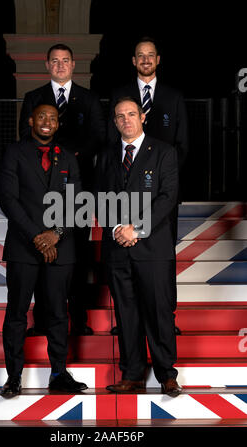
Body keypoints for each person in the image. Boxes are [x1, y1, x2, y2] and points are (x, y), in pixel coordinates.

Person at [0, 104, 88, 397]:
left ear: (57, 124)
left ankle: (59, 374)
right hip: (23, 247)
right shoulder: (15, 152)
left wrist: (55, 235)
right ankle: (14, 376)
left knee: (58, 314)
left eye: (52, 118)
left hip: (60, 249)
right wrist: (38, 236)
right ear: (31, 121)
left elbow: (76, 203)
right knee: (16, 313)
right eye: (41, 117)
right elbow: (9, 200)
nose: (47, 122)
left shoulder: (69, 158)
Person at [96, 97, 182, 396]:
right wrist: (119, 229)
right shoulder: (107, 155)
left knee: (158, 311)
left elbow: (167, 198)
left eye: (131, 114)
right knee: (126, 313)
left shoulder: (163, 152)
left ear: (142, 116)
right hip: (119, 248)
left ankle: (166, 374)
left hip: (153, 249)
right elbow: (100, 197)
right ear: (115, 121)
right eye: (120, 116)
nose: (126, 120)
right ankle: (132, 374)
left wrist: (137, 229)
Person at [19, 43, 106, 336]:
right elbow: (25, 138)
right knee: (44, 252)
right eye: (54, 61)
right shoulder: (34, 98)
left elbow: (98, 138)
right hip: (42, 192)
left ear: (73, 64)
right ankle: (42, 320)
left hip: (78, 188)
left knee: (77, 255)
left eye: (65, 60)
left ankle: (78, 320)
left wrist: (67, 158)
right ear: (47, 65)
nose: (59, 65)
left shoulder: (90, 99)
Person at [108, 36, 188, 336]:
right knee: (125, 257)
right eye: (140, 55)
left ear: (158, 59)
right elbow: (110, 143)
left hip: (162, 190)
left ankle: (167, 316)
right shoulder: (121, 95)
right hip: (126, 189)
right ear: (133, 60)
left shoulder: (173, 96)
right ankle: (127, 320)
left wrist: (165, 178)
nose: (145, 60)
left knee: (162, 255)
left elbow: (183, 145)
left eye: (150, 55)